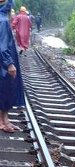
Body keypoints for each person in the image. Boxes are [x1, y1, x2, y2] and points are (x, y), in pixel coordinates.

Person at [0, 0, 25, 132]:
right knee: (4, 90)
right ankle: (1, 122)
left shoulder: (3, 18)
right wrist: (9, 64)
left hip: (3, 60)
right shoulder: (3, 20)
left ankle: (5, 120)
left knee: (5, 90)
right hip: (3, 62)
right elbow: (2, 46)